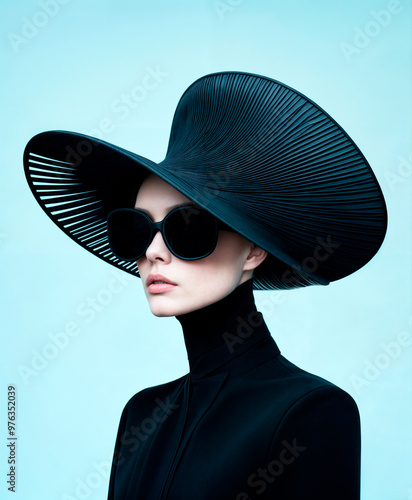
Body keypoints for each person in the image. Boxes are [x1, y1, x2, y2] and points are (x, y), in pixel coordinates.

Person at [23, 71, 387, 499]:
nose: (154, 252)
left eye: (187, 227)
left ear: (253, 251)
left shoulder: (312, 412)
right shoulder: (142, 415)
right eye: (136, 229)